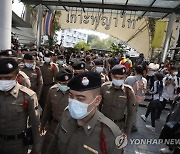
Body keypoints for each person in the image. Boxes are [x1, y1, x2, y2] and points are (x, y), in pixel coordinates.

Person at [47, 71, 127, 154]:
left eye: (80, 99)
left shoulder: (111, 135)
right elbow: (55, 143)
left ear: (97, 100)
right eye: (71, 96)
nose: (73, 102)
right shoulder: (66, 114)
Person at [0, 58, 40, 154]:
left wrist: (36, 147)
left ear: (17, 76)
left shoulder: (28, 96)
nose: (3, 81)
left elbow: (35, 124)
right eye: (0, 78)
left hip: (17, 145)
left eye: (8, 78)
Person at [40, 68, 73, 154]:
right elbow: (47, 109)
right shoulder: (52, 90)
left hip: (70, 127)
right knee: (48, 148)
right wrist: (42, 124)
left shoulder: (76, 93)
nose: (63, 85)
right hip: (54, 125)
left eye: (66, 83)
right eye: (60, 83)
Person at [100, 65, 136, 137]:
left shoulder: (128, 91)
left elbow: (131, 113)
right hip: (103, 125)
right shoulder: (104, 88)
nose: (118, 80)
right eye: (116, 77)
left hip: (118, 126)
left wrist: (126, 132)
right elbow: (97, 108)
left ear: (125, 77)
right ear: (111, 76)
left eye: (121, 78)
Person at [125, 65, 147, 132]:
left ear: (135, 71)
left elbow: (124, 85)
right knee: (134, 111)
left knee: (127, 111)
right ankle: (133, 125)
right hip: (138, 99)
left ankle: (126, 125)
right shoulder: (144, 80)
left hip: (129, 97)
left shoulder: (130, 78)